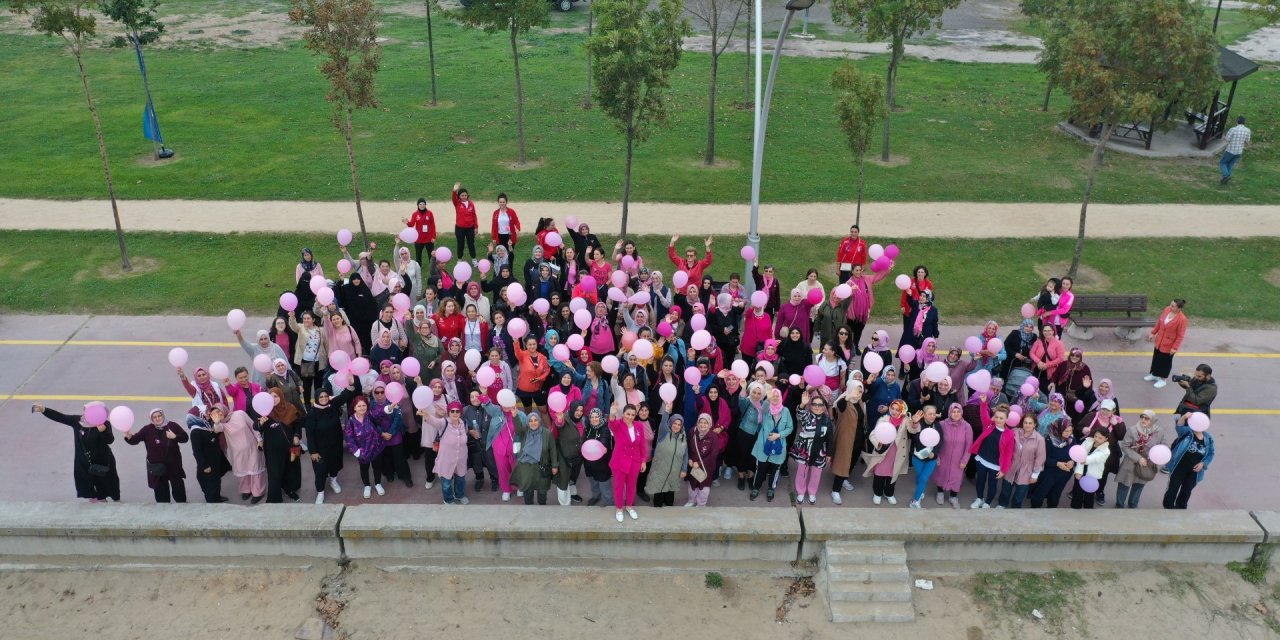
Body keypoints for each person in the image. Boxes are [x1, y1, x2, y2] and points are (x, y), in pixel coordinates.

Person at [32, 403, 121, 502]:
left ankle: (116, 499)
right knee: (90, 482)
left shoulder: (104, 424)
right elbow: (61, 417)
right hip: (84, 461)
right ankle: (100, 500)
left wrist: (103, 431)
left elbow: (110, 440)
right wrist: (44, 410)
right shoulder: (77, 421)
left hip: (103, 460)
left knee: (110, 481)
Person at [305, 381, 360, 503]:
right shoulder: (312, 414)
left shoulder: (332, 405)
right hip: (320, 448)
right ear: (317, 398)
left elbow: (344, 395)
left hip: (335, 445)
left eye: (326, 396)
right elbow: (310, 435)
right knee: (320, 471)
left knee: (334, 465)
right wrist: (313, 451)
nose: (324, 399)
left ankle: (333, 481)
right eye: (321, 397)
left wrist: (350, 384)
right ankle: (320, 492)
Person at [123, 409, 190, 503]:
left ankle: (182, 507)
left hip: (174, 465)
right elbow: (135, 440)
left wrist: (175, 437)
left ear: (163, 416)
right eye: (154, 417)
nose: (157, 418)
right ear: (151, 419)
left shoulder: (173, 426)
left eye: (159, 416)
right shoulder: (147, 429)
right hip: (157, 467)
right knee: (161, 495)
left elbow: (185, 438)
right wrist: (129, 437)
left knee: (178, 490)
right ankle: (164, 511)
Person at [745, 387, 793, 502]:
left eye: (777, 396)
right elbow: (764, 408)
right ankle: (756, 488)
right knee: (760, 468)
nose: (775, 398)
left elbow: (790, 428)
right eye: (773, 396)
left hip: (778, 446)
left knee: (774, 470)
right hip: (763, 445)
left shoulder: (785, 411)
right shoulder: (766, 409)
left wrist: (779, 435)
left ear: (781, 397)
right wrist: (767, 399)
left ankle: (771, 488)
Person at [862, 399, 911, 505]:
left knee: (892, 473)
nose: (894, 411)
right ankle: (877, 493)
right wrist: (879, 444)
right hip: (883, 452)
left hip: (896, 452)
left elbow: (913, 429)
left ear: (902, 411)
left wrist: (915, 422)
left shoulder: (906, 420)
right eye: (892, 408)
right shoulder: (883, 419)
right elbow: (873, 434)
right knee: (880, 473)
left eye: (897, 410)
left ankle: (889, 493)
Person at [1114, 410, 1166, 509]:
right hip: (1131, 462)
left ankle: (1133, 505)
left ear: (1153, 420)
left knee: (1139, 485)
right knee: (1124, 484)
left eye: (1147, 418)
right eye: (1142, 417)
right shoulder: (1132, 430)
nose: (1143, 420)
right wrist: (1139, 459)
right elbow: (1125, 446)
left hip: (1147, 464)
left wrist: (1155, 456)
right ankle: (1119, 505)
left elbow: (1164, 446)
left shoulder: (1159, 431)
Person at [1162, 413, 1214, 509]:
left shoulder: (1208, 438)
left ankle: (1181, 507)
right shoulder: (1187, 433)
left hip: (1194, 471)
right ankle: (1168, 506)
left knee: (1187, 490)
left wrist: (1203, 463)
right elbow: (1179, 426)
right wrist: (1184, 417)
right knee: (1173, 487)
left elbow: (1211, 453)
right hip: (1179, 467)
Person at [791, 391, 834, 505]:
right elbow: (799, 414)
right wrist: (802, 405)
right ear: (811, 405)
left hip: (820, 452)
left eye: (820, 405)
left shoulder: (827, 420)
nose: (817, 407)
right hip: (805, 451)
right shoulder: (807, 416)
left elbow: (830, 438)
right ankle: (800, 491)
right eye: (815, 404)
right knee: (802, 472)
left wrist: (829, 454)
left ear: (824, 407)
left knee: (816, 474)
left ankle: (812, 492)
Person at [608, 404, 649, 521]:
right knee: (619, 487)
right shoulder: (618, 424)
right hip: (619, 462)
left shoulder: (639, 426)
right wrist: (612, 414)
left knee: (631, 487)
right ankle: (619, 508)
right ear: (623, 414)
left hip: (634, 462)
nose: (630, 417)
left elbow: (642, 446)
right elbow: (611, 424)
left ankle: (629, 506)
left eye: (632, 414)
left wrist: (643, 461)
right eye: (628, 414)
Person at [967, 402, 1012, 509]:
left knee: (992, 486)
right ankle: (979, 498)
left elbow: (1008, 454)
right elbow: (983, 414)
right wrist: (983, 403)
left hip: (995, 465)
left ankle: (987, 503)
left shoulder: (1009, 434)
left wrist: (1003, 470)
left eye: (1001, 418)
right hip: (982, 459)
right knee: (980, 481)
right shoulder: (989, 425)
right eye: (996, 417)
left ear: (1006, 420)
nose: (998, 420)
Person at [996, 414, 1046, 509]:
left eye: (1030, 423)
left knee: (1019, 495)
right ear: (1022, 423)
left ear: (1035, 424)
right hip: (1011, 466)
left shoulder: (1040, 439)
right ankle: (1002, 504)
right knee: (1005, 489)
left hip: (1027, 470)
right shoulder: (1014, 432)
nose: (1027, 425)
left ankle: (1015, 509)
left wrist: (1035, 475)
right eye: (1025, 422)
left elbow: (1040, 458)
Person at [511, 411, 559, 506]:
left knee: (542, 492)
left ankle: (541, 511)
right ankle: (529, 512)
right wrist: (515, 416)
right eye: (530, 421)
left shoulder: (547, 433)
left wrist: (554, 465)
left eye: (535, 420)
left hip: (542, 467)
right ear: (527, 423)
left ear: (539, 421)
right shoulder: (524, 432)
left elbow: (553, 450)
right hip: (526, 467)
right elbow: (518, 429)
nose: (533, 423)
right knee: (528, 492)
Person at [829, 381, 866, 505]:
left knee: (852, 461)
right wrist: (849, 396)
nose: (858, 393)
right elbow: (839, 405)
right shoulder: (844, 401)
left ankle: (845, 478)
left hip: (858, 438)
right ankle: (835, 491)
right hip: (846, 438)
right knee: (843, 463)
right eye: (856, 390)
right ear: (850, 389)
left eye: (860, 391)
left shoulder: (860, 402)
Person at [346, 394, 386, 499]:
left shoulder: (370, 415)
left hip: (375, 448)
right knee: (364, 469)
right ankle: (367, 486)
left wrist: (389, 408)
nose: (362, 408)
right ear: (354, 407)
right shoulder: (351, 421)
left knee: (377, 467)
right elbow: (349, 438)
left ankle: (378, 484)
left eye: (364, 405)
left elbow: (379, 414)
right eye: (359, 406)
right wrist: (356, 451)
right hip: (362, 451)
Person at [645, 409, 688, 508]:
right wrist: (667, 411)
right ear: (671, 423)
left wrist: (684, 469)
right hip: (661, 469)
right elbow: (663, 422)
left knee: (670, 493)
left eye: (679, 424)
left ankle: (668, 507)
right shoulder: (664, 433)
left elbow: (686, 454)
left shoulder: (683, 437)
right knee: (659, 492)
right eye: (674, 423)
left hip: (674, 470)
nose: (676, 426)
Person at [933, 403, 973, 508]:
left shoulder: (967, 426)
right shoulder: (942, 424)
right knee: (941, 473)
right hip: (943, 456)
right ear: (950, 412)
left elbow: (969, 445)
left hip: (958, 459)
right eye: (953, 412)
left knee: (957, 477)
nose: (955, 414)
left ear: (961, 413)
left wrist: (965, 460)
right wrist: (936, 456)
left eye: (958, 411)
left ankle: (953, 497)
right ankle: (940, 492)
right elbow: (935, 441)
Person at [433, 401, 472, 504]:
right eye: (452, 411)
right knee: (446, 482)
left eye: (457, 411)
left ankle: (460, 495)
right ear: (448, 412)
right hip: (446, 459)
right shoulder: (443, 423)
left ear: (460, 412)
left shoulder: (464, 423)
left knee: (461, 479)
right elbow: (433, 421)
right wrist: (426, 415)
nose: (455, 413)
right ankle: (448, 499)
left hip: (461, 458)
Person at [1029, 422, 1074, 509]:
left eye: (1070, 431)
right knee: (1041, 492)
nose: (1068, 433)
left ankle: (1051, 508)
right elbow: (1043, 457)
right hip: (1049, 472)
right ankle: (1035, 509)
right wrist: (1057, 463)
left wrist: (1072, 461)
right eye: (1066, 431)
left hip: (1064, 474)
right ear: (1059, 430)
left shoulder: (1071, 439)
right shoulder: (1049, 440)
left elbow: (1075, 453)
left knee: (1056, 494)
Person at [905, 405, 942, 509]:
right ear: (924, 415)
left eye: (934, 414)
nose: (932, 416)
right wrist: (915, 423)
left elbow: (940, 442)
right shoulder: (918, 424)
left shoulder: (937, 426)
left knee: (924, 478)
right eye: (929, 414)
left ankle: (915, 500)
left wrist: (934, 453)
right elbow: (913, 436)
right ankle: (921, 491)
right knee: (920, 477)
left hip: (931, 459)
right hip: (918, 458)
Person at [1145, 299, 1187, 389]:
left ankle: (1163, 379)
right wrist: (1153, 333)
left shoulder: (1182, 319)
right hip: (1159, 341)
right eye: (1170, 304)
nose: (1170, 307)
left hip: (1169, 345)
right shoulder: (1167, 309)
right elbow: (1159, 322)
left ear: (1179, 308)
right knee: (1156, 358)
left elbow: (1180, 336)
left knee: (1165, 362)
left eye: (1173, 306)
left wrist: (1174, 348)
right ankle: (1154, 374)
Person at [187, 414, 229, 503]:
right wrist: (204, 466)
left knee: (216, 481)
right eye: (204, 413)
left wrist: (215, 431)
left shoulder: (205, 425)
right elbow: (197, 451)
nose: (207, 414)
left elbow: (213, 437)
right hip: (207, 464)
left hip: (214, 460)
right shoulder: (196, 432)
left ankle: (217, 497)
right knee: (210, 484)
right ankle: (212, 502)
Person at [1070, 427, 1111, 509]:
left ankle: (1088, 513)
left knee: (1089, 495)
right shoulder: (1088, 441)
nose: (1096, 439)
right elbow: (1079, 453)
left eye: (1100, 438)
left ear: (1106, 439)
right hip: (1081, 471)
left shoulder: (1106, 451)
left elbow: (1094, 458)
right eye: (1095, 436)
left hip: (1092, 475)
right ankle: (1074, 509)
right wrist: (1078, 471)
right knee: (1077, 492)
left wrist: (1082, 459)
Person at [403, 197, 437, 268]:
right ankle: (418, 267)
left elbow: (433, 225)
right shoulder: (415, 214)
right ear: (418, 205)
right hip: (419, 239)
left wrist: (433, 237)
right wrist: (407, 222)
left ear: (425, 205)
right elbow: (411, 225)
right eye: (420, 204)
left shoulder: (429, 213)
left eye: (423, 204)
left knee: (431, 254)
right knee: (418, 255)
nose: (422, 205)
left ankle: (432, 267)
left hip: (429, 238)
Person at [1219, 115, 1251, 185]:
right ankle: (1226, 178)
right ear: (1244, 122)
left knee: (1222, 163)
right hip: (1239, 151)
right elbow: (1247, 141)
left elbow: (1227, 139)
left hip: (1230, 150)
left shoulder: (1232, 129)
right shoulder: (1248, 130)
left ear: (1237, 121)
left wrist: (1224, 137)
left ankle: (1226, 175)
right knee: (1230, 164)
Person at [452, 182, 479, 261]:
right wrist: (454, 191)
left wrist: (476, 227)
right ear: (459, 196)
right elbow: (453, 198)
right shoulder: (457, 203)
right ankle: (459, 259)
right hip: (459, 228)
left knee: (471, 244)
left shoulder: (471, 204)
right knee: (460, 245)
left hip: (470, 228)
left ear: (467, 196)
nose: (464, 197)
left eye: (465, 195)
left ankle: (474, 259)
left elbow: (474, 216)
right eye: (462, 195)